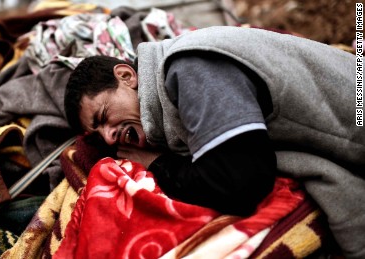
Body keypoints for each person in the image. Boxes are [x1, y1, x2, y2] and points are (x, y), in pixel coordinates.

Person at [65, 26, 363, 258]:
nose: (108, 136)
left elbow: (240, 184)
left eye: (103, 116)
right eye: (98, 135)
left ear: (126, 75)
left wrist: (158, 164)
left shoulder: (190, 69)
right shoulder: (174, 90)